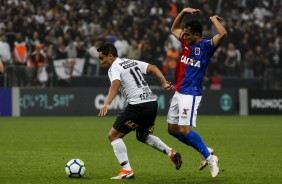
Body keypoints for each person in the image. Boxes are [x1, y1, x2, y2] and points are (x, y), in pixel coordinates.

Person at [97, 42, 182, 179]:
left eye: (102, 58)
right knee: (142, 136)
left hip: (138, 106)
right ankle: (171, 153)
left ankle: (126, 170)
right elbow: (153, 68)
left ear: (111, 56)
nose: (100, 61)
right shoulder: (130, 61)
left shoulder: (114, 67)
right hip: (152, 104)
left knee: (113, 136)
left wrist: (107, 103)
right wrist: (164, 82)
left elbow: (115, 84)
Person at [167, 7, 227, 178]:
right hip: (179, 91)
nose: (183, 36)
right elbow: (173, 28)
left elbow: (223, 34)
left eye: (187, 34)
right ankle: (205, 149)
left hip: (191, 93)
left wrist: (213, 19)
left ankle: (210, 158)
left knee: (185, 130)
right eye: (184, 33)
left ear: (196, 34)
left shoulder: (207, 46)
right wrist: (183, 12)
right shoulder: (186, 42)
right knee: (172, 129)